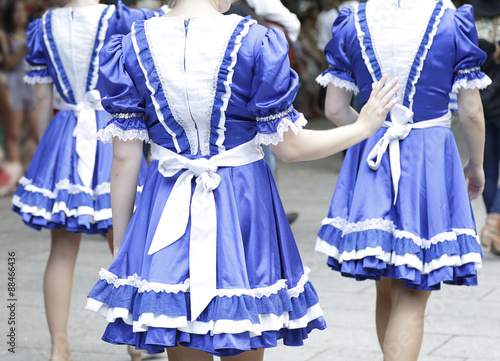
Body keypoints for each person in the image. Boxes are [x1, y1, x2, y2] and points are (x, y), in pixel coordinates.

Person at [84, 0, 399, 359]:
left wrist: (124, 245)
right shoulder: (256, 42)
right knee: (245, 329)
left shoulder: (130, 45)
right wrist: (363, 127)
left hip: (166, 204)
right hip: (243, 207)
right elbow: (290, 148)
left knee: (181, 331)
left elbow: (125, 162)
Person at [315, 1, 488, 360]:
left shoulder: (353, 21)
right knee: (414, 289)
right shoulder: (450, 21)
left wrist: (368, 134)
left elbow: (333, 108)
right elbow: (471, 111)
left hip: (374, 156)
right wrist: (476, 164)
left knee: (387, 288)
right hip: (429, 160)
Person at [11, 1, 154, 360]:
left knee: (60, 251)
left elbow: (43, 98)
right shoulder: (119, 18)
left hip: (66, 135)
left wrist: (50, 153)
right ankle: (134, 340)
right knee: (122, 242)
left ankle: (59, 344)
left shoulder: (43, 26)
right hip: (112, 134)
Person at [472, 0, 500, 256]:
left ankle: (495, 230)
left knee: (488, 170)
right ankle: (493, 223)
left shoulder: (470, 30)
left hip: (483, 107)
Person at [2, 0, 37, 164]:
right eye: (16, 11)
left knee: (36, 131)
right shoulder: (5, 35)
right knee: (14, 133)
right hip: (13, 86)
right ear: (10, 14)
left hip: (32, 87)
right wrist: (23, 49)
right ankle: (13, 170)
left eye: (23, 10)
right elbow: (6, 64)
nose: (21, 14)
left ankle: (28, 169)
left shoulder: (32, 32)